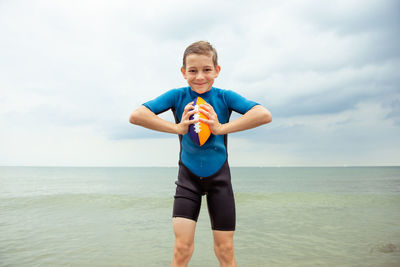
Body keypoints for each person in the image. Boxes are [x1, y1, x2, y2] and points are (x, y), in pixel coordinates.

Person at [129, 41, 272, 267]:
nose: (199, 77)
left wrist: (221, 128)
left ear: (217, 70)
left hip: (220, 181)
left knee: (225, 250)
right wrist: (177, 128)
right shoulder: (177, 96)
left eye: (206, 69)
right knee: (182, 248)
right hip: (188, 181)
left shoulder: (225, 97)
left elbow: (263, 114)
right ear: (183, 72)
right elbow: (137, 115)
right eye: (193, 71)